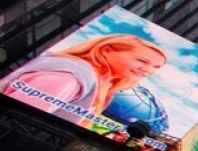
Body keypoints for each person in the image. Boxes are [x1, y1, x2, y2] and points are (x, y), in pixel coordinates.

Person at [4, 32, 168, 123]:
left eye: (155, 67)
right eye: (142, 61)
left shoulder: (100, 85)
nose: (148, 70)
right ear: (106, 50)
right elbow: (18, 117)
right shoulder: (72, 76)